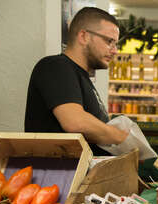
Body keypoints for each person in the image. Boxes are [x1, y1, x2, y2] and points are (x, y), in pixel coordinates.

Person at [24, 7, 128, 156]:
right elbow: (75, 122)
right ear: (84, 36)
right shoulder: (56, 66)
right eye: (109, 41)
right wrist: (121, 137)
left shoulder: (81, 77)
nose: (114, 50)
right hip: (58, 176)